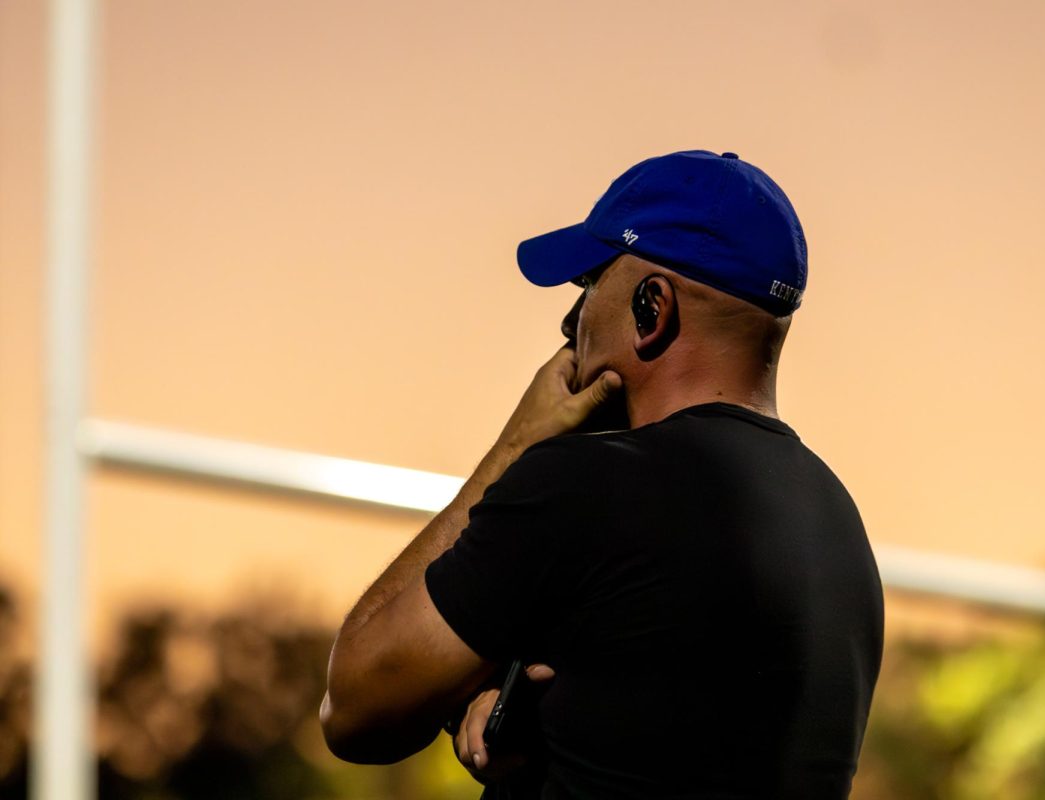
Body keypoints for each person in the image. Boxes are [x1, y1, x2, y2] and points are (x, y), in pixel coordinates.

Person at [321, 150, 884, 798]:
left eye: (588, 288)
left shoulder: (582, 488)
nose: (572, 327)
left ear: (653, 308)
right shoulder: (840, 530)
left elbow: (354, 707)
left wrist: (515, 447)